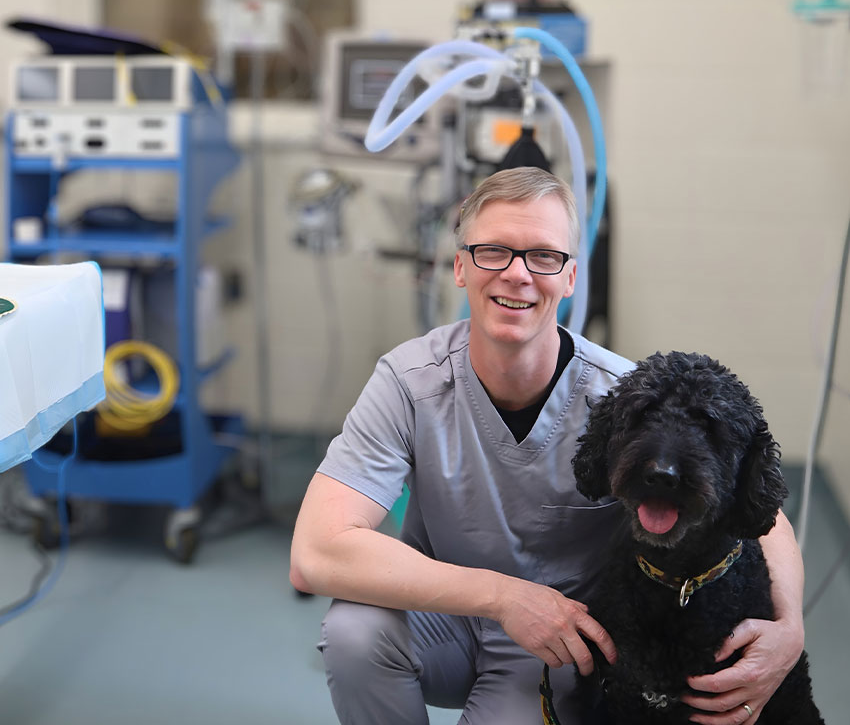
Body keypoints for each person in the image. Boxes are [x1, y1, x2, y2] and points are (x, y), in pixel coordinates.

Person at [290, 167, 805, 725]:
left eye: (543, 256)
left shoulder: (627, 398)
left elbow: (762, 513)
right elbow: (316, 553)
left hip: (560, 642)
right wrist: (501, 596)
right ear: (460, 266)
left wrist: (790, 628)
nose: (517, 275)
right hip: (445, 612)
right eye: (493, 251)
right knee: (353, 632)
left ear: (571, 277)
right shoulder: (408, 382)